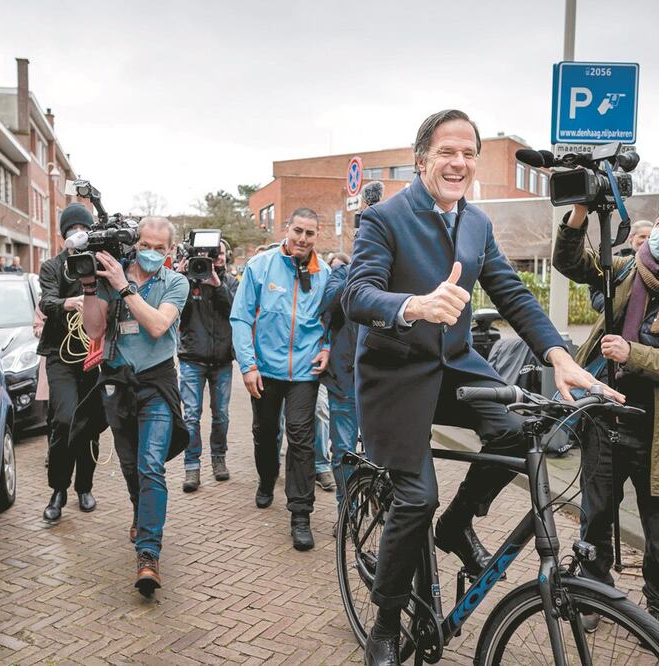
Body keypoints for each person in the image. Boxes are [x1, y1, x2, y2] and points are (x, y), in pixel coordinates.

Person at [342, 109, 616, 665]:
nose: (459, 162)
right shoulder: (385, 219)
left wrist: (560, 357)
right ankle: (387, 622)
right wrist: (412, 305)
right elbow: (357, 295)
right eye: (448, 151)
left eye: (469, 153)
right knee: (416, 496)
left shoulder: (477, 224)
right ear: (422, 159)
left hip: (456, 367)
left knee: (519, 435)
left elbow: (514, 296)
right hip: (396, 377)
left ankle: (458, 524)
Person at [554, 198, 659, 634]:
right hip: (606, 418)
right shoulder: (628, 268)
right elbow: (570, 261)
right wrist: (578, 211)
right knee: (595, 516)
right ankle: (594, 592)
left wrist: (635, 353)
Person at [82, 216, 190, 596]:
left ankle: (148, 554)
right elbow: (94, 329)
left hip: (157, 384)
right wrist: (91, 289)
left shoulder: (175, 282)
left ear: (171, 251)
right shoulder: (112, 276)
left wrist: (125, 288)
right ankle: (139, 510)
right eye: (146, 245)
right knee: (131, 467)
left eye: (161, 248)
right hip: (117, 384)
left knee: (150, 465)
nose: (152, 253)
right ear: (134, 242)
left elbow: (158, 325)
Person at [230, 208, 331, 552]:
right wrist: (247, 365)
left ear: (318, 236)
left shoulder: (325, 275)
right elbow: (241, 318)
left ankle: (300, 515)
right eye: (298, 230)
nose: (303, 239)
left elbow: (331, 320)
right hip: (265, 370)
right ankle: (266, 477)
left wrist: (328, 348)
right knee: (265, 431)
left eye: (310, 233)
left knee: (302, 437)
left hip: (304, 372)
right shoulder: (261, 267)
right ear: (286, 229)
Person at [37, 204, 106, 522]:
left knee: (89, 424)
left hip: (94, 355)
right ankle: (58, 489)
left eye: (83, 228)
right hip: (60, 355)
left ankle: (85, 486)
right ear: (63, 234)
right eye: (71, 229)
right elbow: (46, 300)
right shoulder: (52, 266)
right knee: (63, 421)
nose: (77, 234)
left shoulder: (101, 263)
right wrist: (69, 302)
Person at [176, 239, 239, 492]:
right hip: (192, 359)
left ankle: (218, 458)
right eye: (213, 254)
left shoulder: (231, 282)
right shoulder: (189, 281)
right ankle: (192, 467)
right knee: (191, 416)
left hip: (222, 361)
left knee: (221, 415)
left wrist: (217, 284)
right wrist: (181, 279)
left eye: (220, 253)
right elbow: (178, 313)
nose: (216, 259)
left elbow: (236, 312)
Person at [319, 252, 357, 510]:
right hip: (345, 379)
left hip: (384, 385)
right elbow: (328, 305)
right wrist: (360, 271)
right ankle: (348, 512)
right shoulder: (342, 273)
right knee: (343, 451)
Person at [589, 220, 653, 312]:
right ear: (631, 238)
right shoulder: (613, 261)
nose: (647, 241)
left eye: (650, 237)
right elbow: (597, 295)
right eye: (642, 236)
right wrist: (616, 307)